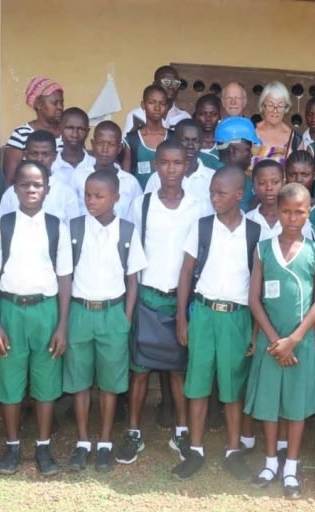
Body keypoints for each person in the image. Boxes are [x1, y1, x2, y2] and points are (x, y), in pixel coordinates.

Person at [116, 140, 204, 466]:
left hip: (178, 300)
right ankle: (134, 433)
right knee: (139, 372)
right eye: (164, 162)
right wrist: (132, 301)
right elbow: (132, 257)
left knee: (178, 372)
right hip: (146, 297)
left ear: (187, 166)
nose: (170, 169)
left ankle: (181, 431)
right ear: (155, 165)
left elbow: (196, 258)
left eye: (177, 163)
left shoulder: (197, 206)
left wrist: (186, 308)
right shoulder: (142, 204)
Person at [0, 160, 73, 476]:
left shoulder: (56, 226)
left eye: (38, 185)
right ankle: (11, 446)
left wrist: (62, 325)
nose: (31, 189)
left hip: (46, 311)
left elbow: (64, 279)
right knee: (9, 379)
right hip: (10, 311)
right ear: (15, 188)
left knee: (47, 381)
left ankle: (43, 446)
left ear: (47, 190)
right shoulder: (2, 225)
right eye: (25, 184)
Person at [171, 166, 261, 480]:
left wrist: (255, 328)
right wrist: (182, 317)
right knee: (196, 384)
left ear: (240, 194)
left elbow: (258, 287)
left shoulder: (255, 232)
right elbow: (185, 273)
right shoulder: (202, 227)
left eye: (221, 193)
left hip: (236, 317)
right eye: (212, 192)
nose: (214, 198)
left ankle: (233, 451)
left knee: (233, 386)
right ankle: (194, 450)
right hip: (204, 313)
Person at [244, 183, 315, 499]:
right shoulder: (263, 249)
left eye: (300, 212)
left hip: (300, 342)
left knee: (295, 405)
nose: (293, 218)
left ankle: (290, 467)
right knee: (268, 404)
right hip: (270, 341)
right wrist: (277, 340)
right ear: (277, 212)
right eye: (287, 211)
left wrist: (294, 339)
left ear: (309, 211)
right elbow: (254, 299)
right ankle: (269, 463)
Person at [64, 170, 146, 473]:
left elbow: (133, 279)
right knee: (80, 381)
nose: (91, 201)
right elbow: (66, 275)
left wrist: (125, 317)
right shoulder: (73, 228)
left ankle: (105, 441)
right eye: (87, 194)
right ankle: (83, 441)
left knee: (110, 384)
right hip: (80, 312)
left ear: (116, 198)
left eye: (99, 196)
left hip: (113, 313)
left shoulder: (126, 231)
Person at [0, 130, 79, 223]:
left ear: (54, 156)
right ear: (26, 155)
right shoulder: (11, 193)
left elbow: (72, 232)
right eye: (34, 154)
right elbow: (1, 227)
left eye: (45, 154)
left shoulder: (66, 193)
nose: (39, 159)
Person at [73, 121, 142, 220]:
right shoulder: (78, 176)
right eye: (100, 143)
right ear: (93, 144)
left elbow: (137, 217)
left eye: (111, 144)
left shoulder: (130, 182)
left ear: (119, 148)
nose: (105, 149)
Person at [144, 119, 216, 213]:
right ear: (175, 141)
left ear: (202, 143)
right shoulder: (157, 178)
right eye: (185, 140)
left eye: (195, 141)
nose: (190, 146)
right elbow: (146, 210)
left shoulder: (213, 178)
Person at [3, 77, 64, 182]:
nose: (60, 107)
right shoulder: (21, 134)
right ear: (38, 104)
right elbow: (10, 178)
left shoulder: (68, 133)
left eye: (61, 103)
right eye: (55, 103)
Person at [247, 160, 313, 240]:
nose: (269, 188)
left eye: (275, 182)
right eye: (262, 183)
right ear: (254, 186)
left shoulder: (298, 220)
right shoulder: (247, 220)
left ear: (284, 183)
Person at [124, 85, 170, 188]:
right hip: (139, 199)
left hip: (167, 199)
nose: (157, 108)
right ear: (143, 105)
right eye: (151, 103)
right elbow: (125, 179)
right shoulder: (132, 140)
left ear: (166, 107)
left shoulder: (174, 137)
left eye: (162, 103)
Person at [123, 65, 190, 134]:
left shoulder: (184, 117)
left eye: (175, 83)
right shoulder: (136, 116)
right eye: (166, 82)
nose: (171, 87)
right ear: (154, 84)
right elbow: (126, 143)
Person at [214, 116, 261, 211]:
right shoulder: (236, 180)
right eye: (248, 149)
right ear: (233, 150)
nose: (251, 154)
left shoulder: (210, 170)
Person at [252, 82, 301, 167]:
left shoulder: (295, 139)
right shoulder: (250, 131)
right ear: (263, 106)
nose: (275, 110)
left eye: (280, 106)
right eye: (270, 105)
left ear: (286, 108)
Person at [51, 107, 94, 189]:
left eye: (81, 129)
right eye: (70, 128)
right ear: (60, 128)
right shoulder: (51, 165)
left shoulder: (95, 165)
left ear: (88, 132)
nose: (75, 134)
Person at [285, 150, 315, 223]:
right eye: (292, 174)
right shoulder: (276, 207)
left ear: (314, 175)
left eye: (305, 175)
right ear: (285, 175)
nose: (298, 180)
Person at [194, 94, 225, 170]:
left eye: (214, 114)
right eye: (203, 114)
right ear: (196, 115)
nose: (208, 119)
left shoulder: (225, 145)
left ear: (219, 116)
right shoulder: (188, 143)